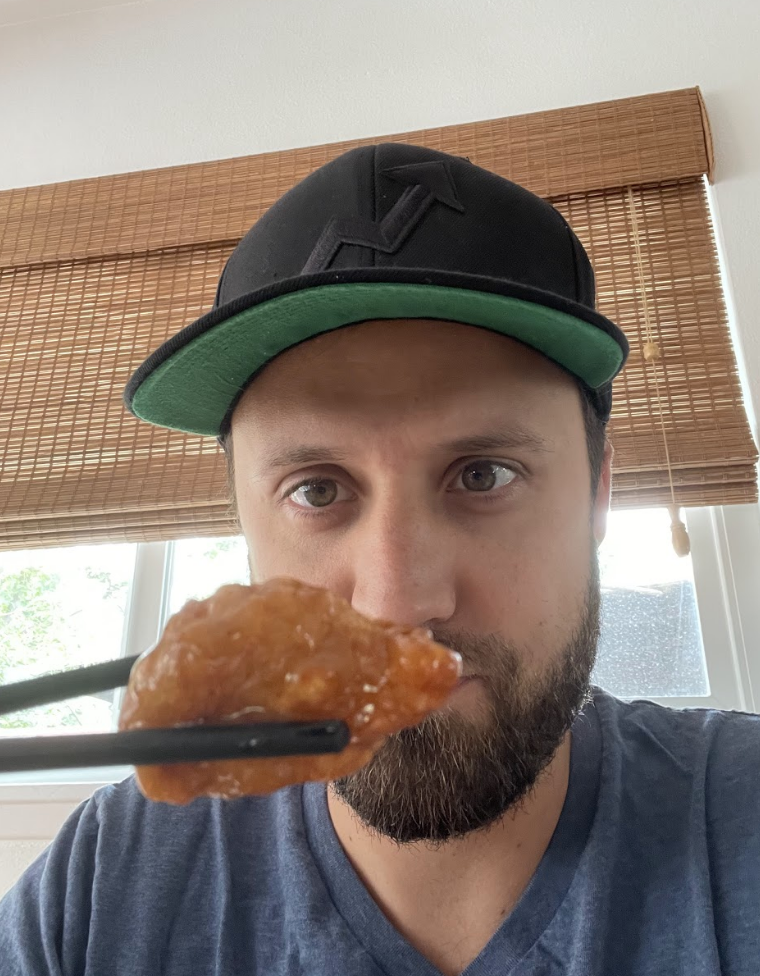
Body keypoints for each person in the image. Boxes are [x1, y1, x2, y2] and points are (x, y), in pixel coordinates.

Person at [1, 143, 758, 976]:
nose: (399, 600)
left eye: (484, 475)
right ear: (242, 521)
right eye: (318, 491)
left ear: (598, 495)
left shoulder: (740, 820)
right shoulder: (101, 892)